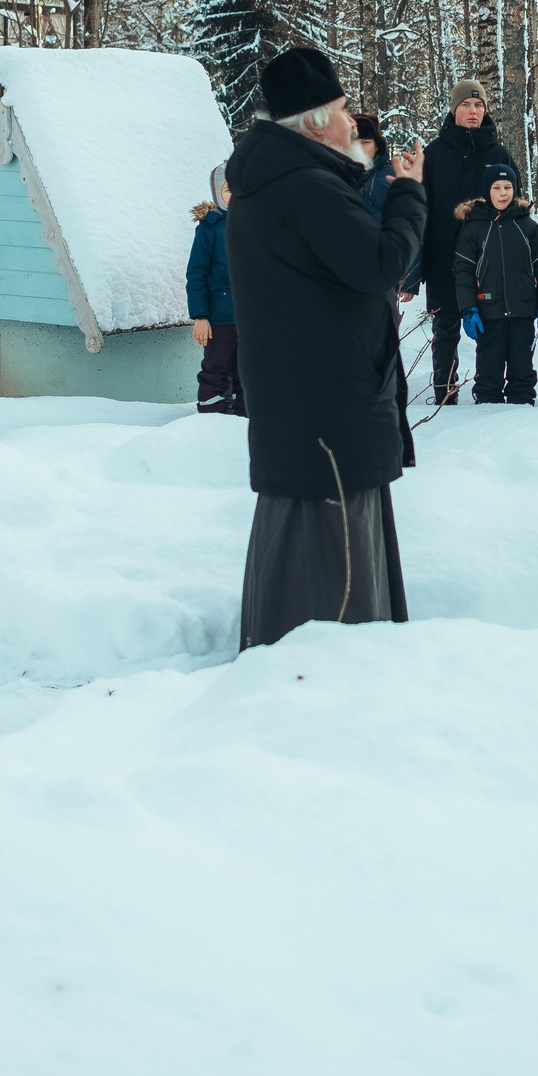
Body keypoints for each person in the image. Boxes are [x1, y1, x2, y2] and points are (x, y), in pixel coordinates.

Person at [226, 46, 428, 649]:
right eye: (343, 109)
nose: (351, 120)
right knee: (334, 546)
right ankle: (326, 670)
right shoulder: (308, 187)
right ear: (316, 120)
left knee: (303, 534)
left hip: (305, 397)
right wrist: (410, 196)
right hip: (329, 402)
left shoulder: (274, 183)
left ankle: (290, 651)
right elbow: (379, 264)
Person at [406, 81, 513, 404]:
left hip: (488, 257)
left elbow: (514, 209)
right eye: (466, 105)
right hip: (444, 256)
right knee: (446, 325)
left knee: (490, 325)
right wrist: (412, 272)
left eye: (479, 106)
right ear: (454, 109)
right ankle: (444, 392)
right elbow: (418, 213)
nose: (473, 111)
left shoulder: (499, 154)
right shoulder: (434, 154)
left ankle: (488, 389)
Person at [454, 160, 538, 405]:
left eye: (507, 187)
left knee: (522, 362)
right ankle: (487, 404)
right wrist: (468, 309)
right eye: (496, 188)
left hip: (522, 310)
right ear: (488, 191)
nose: (502, 193)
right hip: (488, 311)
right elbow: (463, 271)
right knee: (490, 362)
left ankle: (522, 404)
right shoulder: (474, 227)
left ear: (514, 190)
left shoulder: (527, 226)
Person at [187, 164, 243, 417]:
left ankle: (245, 419)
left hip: (252, 316)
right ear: (218, 191)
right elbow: (196, 273)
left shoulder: (261, 225)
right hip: (219, 317)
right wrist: (200, 317)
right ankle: (212, 419)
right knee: (216, 367)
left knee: (249, 371)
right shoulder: (210, 227)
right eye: (229, 188)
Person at [354, 112, 395, 222]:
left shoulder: (391, 175)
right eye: (354, 143)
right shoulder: (338, 175)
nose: (360, 149)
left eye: (365, 142)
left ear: (376, 146)